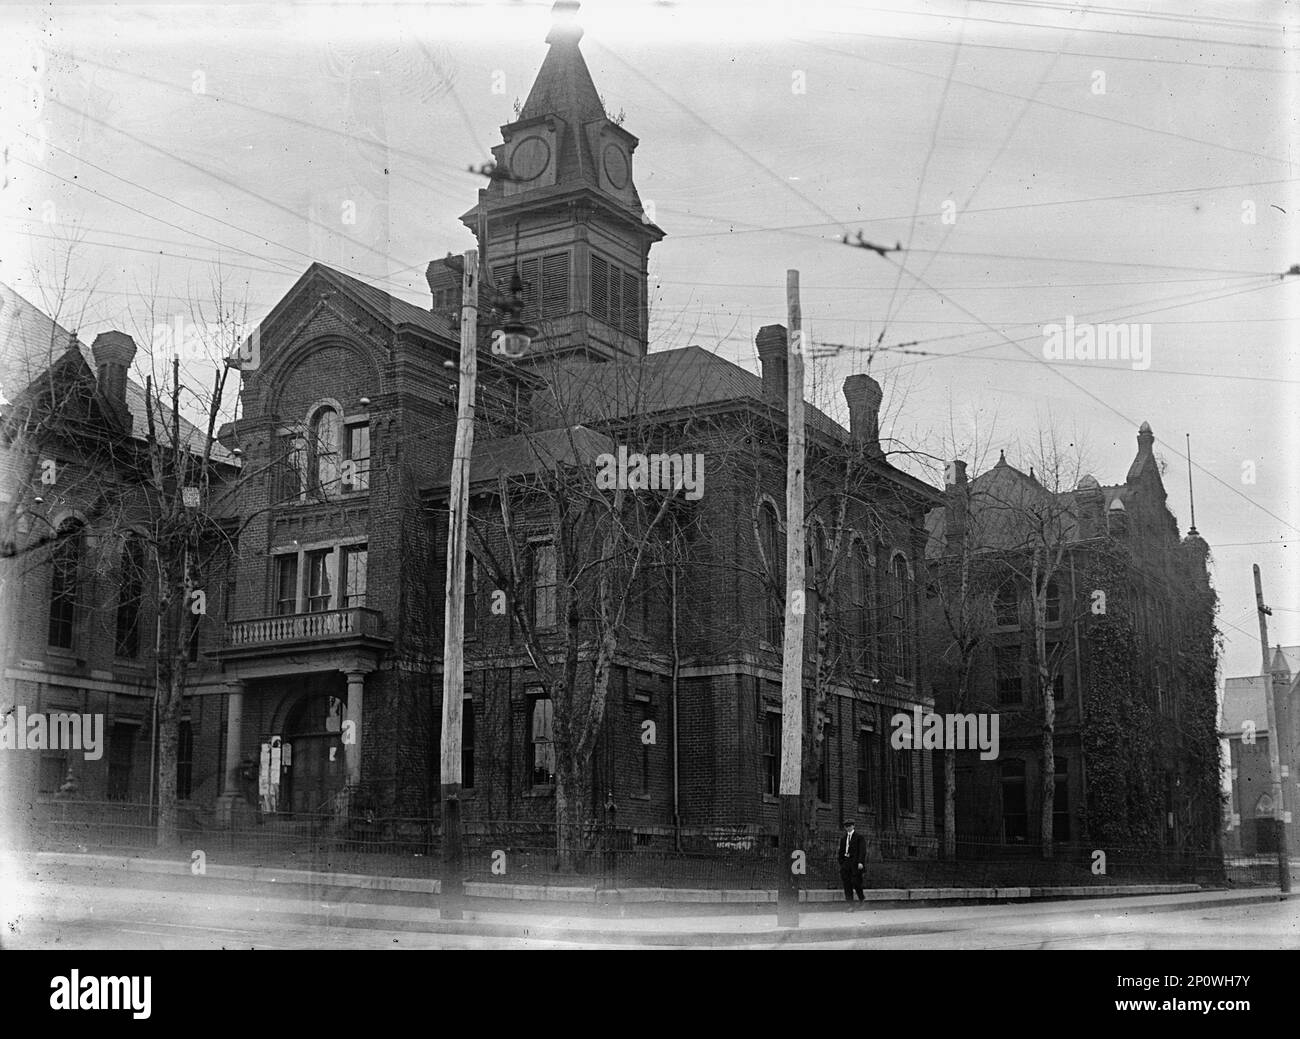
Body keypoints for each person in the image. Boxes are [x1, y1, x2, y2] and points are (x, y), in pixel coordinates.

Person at [838, 818, 865, 907]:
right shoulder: (843, 838)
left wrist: (860, 862)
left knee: (856, 882)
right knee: (847, 884)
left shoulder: (859, 837)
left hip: (855, 863)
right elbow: (841, 851)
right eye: (846, 826)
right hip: (846, 863)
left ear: (853, 826)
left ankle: (861, 898)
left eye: (850, 826)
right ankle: (850, 905)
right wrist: (841, 862)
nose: (848, 828)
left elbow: (862, 850)